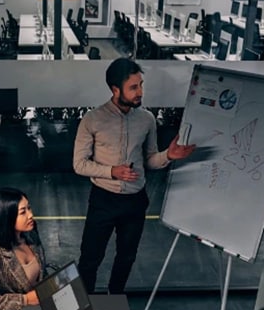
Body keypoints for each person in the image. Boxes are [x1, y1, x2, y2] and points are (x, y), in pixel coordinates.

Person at [73, 57, 195, 294]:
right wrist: (112, 172)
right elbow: (79, 164)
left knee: (127, 257)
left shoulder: (146, 119)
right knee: (90, 258)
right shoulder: (93, 120)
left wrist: (168, 155)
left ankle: (115, 299)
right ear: (115, 89)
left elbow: (149, 160)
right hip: (103, 200)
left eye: (141, 85)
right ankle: (84, 309)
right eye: (133, 87)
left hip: (135, 202)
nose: (140, 92)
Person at [0, 187, 47, 310]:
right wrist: (25, 299)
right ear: (7, 217)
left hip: (41, 309)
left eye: (29, 208)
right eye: (23, 212)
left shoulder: (31, 235)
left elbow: (42, 275)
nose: (31, 215)